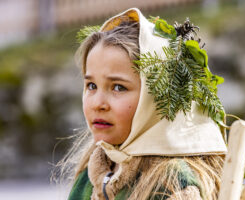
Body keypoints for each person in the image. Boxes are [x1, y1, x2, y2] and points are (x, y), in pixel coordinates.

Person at [58, 8, 228, 200]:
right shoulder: (92, 172)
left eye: (118, 87)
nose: (98, 103)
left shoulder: (172, 186)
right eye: (91, 85)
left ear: (156, 98)